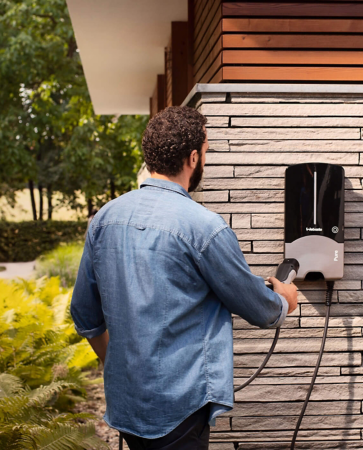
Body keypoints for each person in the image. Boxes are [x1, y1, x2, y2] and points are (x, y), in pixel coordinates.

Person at [70, 106, 299, 450]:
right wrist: (285, 299)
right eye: (205, 152)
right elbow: (260, 308)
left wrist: (118, 366)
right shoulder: (204, 227)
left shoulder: (104, 219)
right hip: (179, 406)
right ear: (193, 158)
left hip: (127, 403)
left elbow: (85, 314)